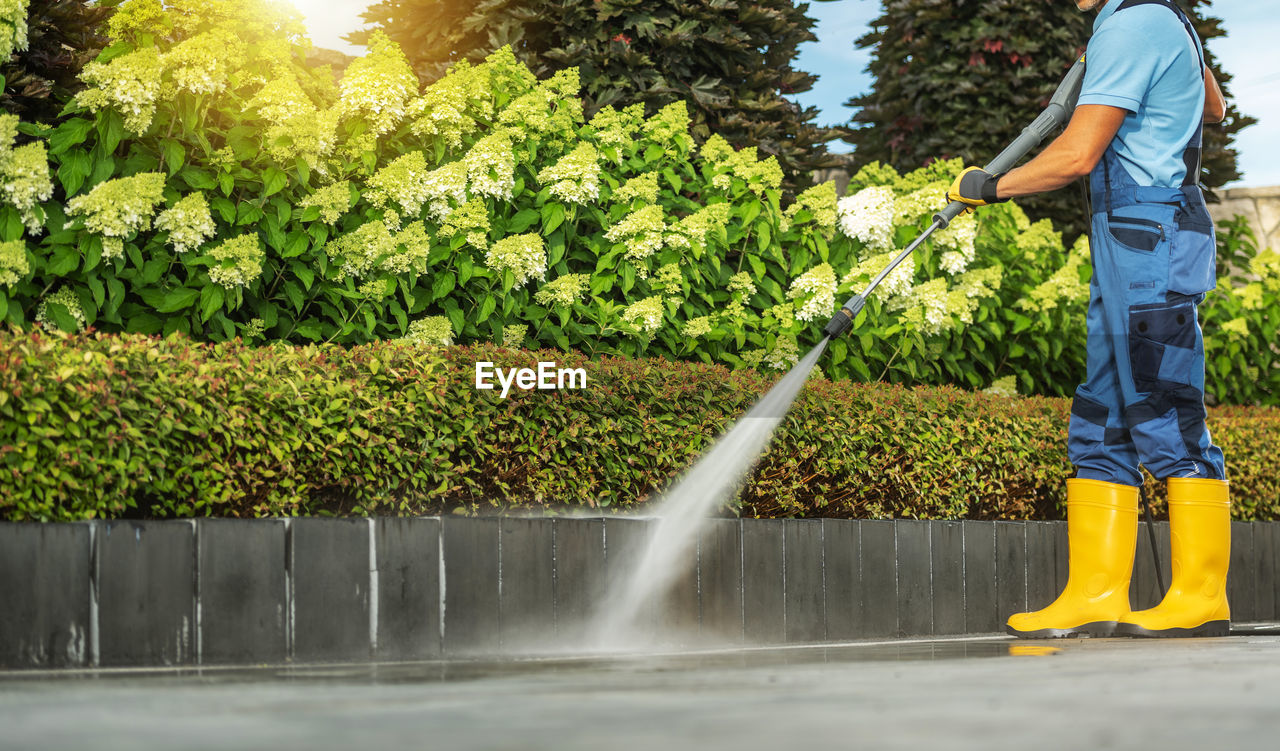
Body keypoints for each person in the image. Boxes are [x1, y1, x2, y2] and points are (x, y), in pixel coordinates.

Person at [946, 0, 1230, 638]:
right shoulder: (1163, 20)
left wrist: (990, 185)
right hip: (1129, 239)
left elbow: (1076, 154)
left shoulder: (1135, 23)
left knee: (1164, 401)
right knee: (1101, 413)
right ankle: (1096, 592)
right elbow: (1211, 106)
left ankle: (1202, 592)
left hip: (1147, 238)